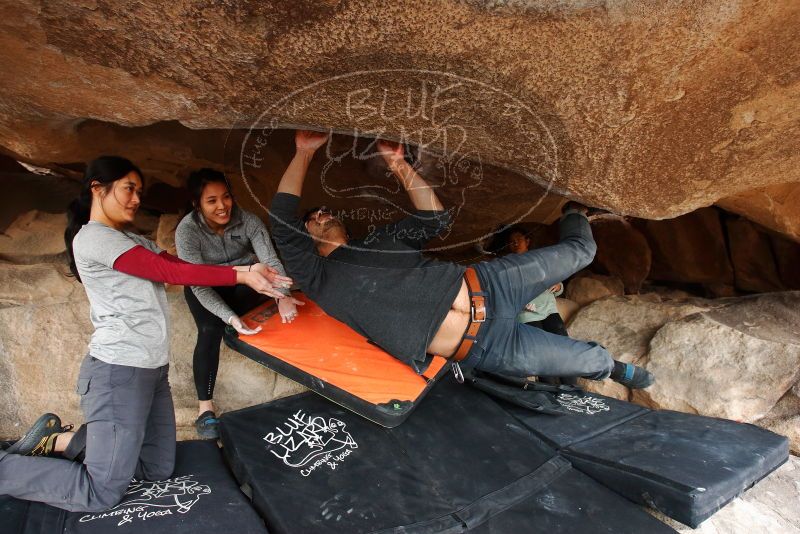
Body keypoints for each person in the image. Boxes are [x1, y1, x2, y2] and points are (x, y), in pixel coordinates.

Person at [0, 156, 285, 513]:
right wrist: (241, 274)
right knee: (101, 492)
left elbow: (182, 267)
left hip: (152, 371)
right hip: (118, 372)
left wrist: (249, 269)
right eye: (128, 189)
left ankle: (60, 441)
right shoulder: (94, 238)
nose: (136, 198)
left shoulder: (130, 240)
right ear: (97, 190)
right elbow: (163, 269)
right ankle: (7, 470)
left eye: (139, 191)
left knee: (157, 468)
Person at [268, 130, 654, 389]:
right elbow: (282, 220)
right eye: (312, 218)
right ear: (306, 238)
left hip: (492, 284)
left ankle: (573, 212)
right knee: (583, 361)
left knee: (582, 251)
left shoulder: (380, 240)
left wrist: (397, 162)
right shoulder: (315, 275)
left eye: (325, 211)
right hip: (486, 347)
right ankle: (617, 369)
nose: (321, 215)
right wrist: (304, 152)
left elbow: (434, 218)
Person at [175, 168, 302, 439]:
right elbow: (197, 281)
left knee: (271, 281)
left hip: (246, 282)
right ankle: (205, 410)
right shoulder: (187, 231)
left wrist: (281, 296)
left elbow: (270, 263)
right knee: (209, 331)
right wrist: (228, 318)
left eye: (226, 197)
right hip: (207, 286)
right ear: (197, 204)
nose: (222, 206)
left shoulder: (249, 221)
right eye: (211, 201)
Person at [507, 227, 576, 385]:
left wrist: (558, 286)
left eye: (518, 238)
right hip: (526, 313)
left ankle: (571, 389)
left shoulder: (538, 260)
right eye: (511, 242)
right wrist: (520, 302)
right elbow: (507, 291)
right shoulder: (508, 266)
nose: (515, 243)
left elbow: (556, 282)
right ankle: (550, 390)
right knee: (540, 352)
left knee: (563, 346)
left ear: (528, 241)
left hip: (549, 310)